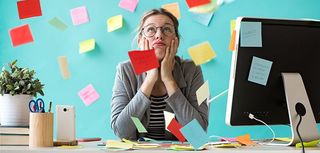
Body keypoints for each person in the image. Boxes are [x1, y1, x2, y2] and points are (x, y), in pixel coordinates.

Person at [111, 8, 208, 140]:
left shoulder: (193, 69)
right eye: (151, 29)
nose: (159, 35)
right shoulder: (124, 71)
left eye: (167, 29)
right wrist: (150, 78)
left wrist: (169, 80)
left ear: (177, 41)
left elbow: (198, 133)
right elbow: (121, 132)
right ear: (140, 41)